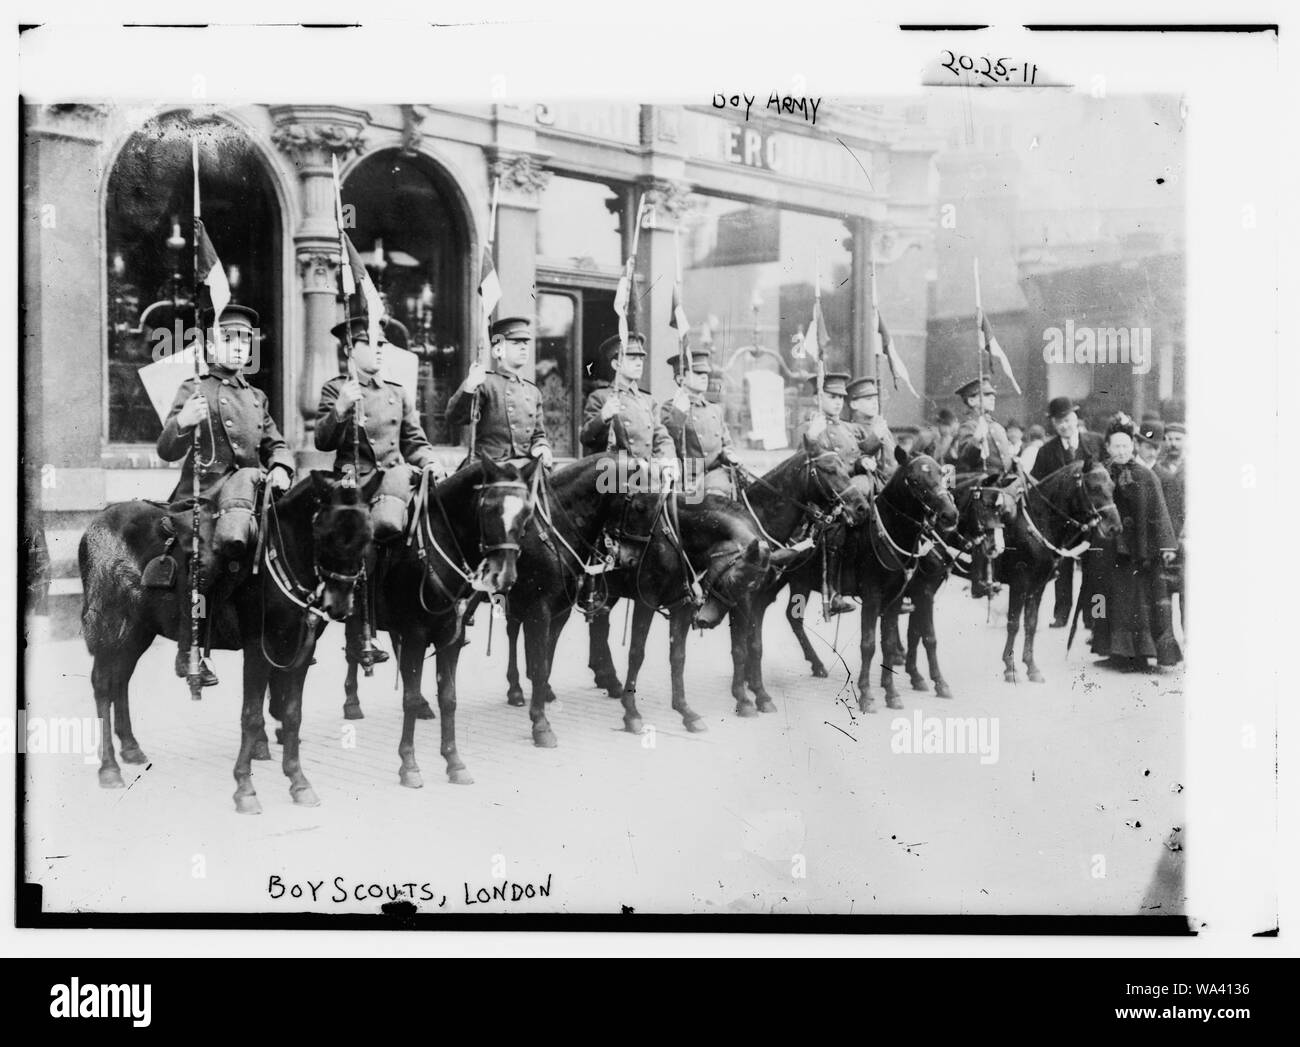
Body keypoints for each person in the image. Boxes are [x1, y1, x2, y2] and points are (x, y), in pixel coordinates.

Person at [158, 303, 295, 687]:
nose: (238, 346)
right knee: (207, 560)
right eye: (229, 338)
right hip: (204, 496)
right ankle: (192, 647)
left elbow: (276, 444)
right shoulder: (194, 388)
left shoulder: (256, 397)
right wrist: (183, 421)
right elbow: (166, 449)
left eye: (245, 340)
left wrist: (281, 466)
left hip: (249, 496)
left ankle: (284, 632)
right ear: (210, 344)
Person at [316, 314, 443, 672]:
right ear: (349, 350)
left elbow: (414, 442)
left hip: (395, 477)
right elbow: (323, 440)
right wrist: (341, 408)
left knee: (432, 526)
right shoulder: (336, 389)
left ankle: (442, 609)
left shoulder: (396, 392)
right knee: (365, 541)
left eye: (382, 344)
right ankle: (361, 632)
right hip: (353, 483)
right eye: (370, 343)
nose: (380, 350)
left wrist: (430, 460)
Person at [580, 333, 678, 690]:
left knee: (681, 511)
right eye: (631, 358)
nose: (638, 363)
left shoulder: (647, 401)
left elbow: (662, 435)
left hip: (647, 482)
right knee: (602, 548)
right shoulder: (600, 397)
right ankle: (592, 589)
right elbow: (585, 437)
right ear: (615, 363)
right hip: (613, 477)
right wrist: (602, 418)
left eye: (641, 358)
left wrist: (668, 459)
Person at [1089, 418, 1181, 671]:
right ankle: (1113, 651)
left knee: (1138, 601)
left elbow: (1160, 512)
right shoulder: (1101, 474)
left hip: (1140, 551)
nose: (1121, 451)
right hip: (1110, 548)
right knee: (1108, 599)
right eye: (1116, 446)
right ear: (1108, 447)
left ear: (1132, 447)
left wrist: (1166, 546)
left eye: (1125, 446)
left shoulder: (1145, 475)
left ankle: (1141, 653)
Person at [1032, 396, 1106, 627]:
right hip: (1062, 521)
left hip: (1092, 517)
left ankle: (1095, 617)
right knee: (1062, 567)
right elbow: (1038, 486)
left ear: (1076, 418)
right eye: (1058, 422)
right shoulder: (1046, 451)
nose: (1064, 425)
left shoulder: (1095, 442)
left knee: (1095, 570)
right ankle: (1061, 614)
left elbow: (1106, 478)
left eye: (1067, 419)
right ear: (1053, 424)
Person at [795, 372, 865, 615]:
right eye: (832, 396)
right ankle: (834, 592)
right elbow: (803, 465)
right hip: (824, 497)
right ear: (818, 398)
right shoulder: (809, 428)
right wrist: (812, 436)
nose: (838, 402)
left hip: (847, 491)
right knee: (836, 528)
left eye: (841, 397)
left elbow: (853, 459)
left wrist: (863, 462)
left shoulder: (846, 428)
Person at [446, 316, 554, 469]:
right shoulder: (484, 382)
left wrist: (542, 447)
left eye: (525, 343)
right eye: (516, 343)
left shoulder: (533, 392)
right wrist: (469, 386)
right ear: (498, 350)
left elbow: (538, 435)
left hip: (525, 465)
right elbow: (455, 417)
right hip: (489, 466)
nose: (523, 347)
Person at [661, 348, 739, 498]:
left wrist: (730, 455)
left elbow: (726, 444)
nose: (704, 377)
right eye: (697, 373)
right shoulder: (670, 409)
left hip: (716, 475)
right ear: (681, 379)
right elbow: (666, 440)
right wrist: (679, 411)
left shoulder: (715, 409)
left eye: (706, 373)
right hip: (688, 477)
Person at [844, 375, 898, 492]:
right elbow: (856, 457)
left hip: (893, 482)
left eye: (875, 399)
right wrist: (876, 437)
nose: (875, 403)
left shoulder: (881, 426)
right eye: (869, 399)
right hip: (875, 485)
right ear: (854, 404)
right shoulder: (851, 429)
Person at [951, 378, 1015, 476]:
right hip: (985, 481)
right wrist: (976, 438)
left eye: (993, 394)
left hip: (1006, 479)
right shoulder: (969, 427)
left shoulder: (997, 426)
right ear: (971, 401)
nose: (993, 397)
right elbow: (966, 461)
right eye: (986, 394)